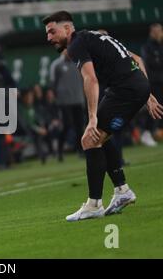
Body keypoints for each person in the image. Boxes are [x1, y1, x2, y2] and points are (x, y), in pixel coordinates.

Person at [42, 11, 163, 221]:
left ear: (68, 28)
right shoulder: (93, 36)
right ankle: (122, 190)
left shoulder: (76, 44)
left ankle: (94, 204)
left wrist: (92, 118)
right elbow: (137, 59)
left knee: (89, 138)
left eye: (52, 31)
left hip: (125, 89)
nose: (49, 37)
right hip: (132, 87)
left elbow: (90, 80)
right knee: (100, 138)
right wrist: (147, 92)